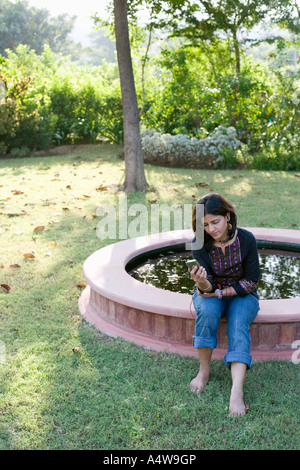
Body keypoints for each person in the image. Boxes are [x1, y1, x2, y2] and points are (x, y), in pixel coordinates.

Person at [188, 193, 260, 416]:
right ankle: (204, 371)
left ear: (228, 217)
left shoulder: (246, 240)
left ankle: (236, 391)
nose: (211, 229)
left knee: (238, 322)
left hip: (243, 295)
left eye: (215, 221)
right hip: (210, 294)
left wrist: (222, 291)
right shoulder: (200, 244)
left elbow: (250, 281)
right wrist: (203, 283)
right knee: (207, 312)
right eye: (205, 224)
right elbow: (206, 291)